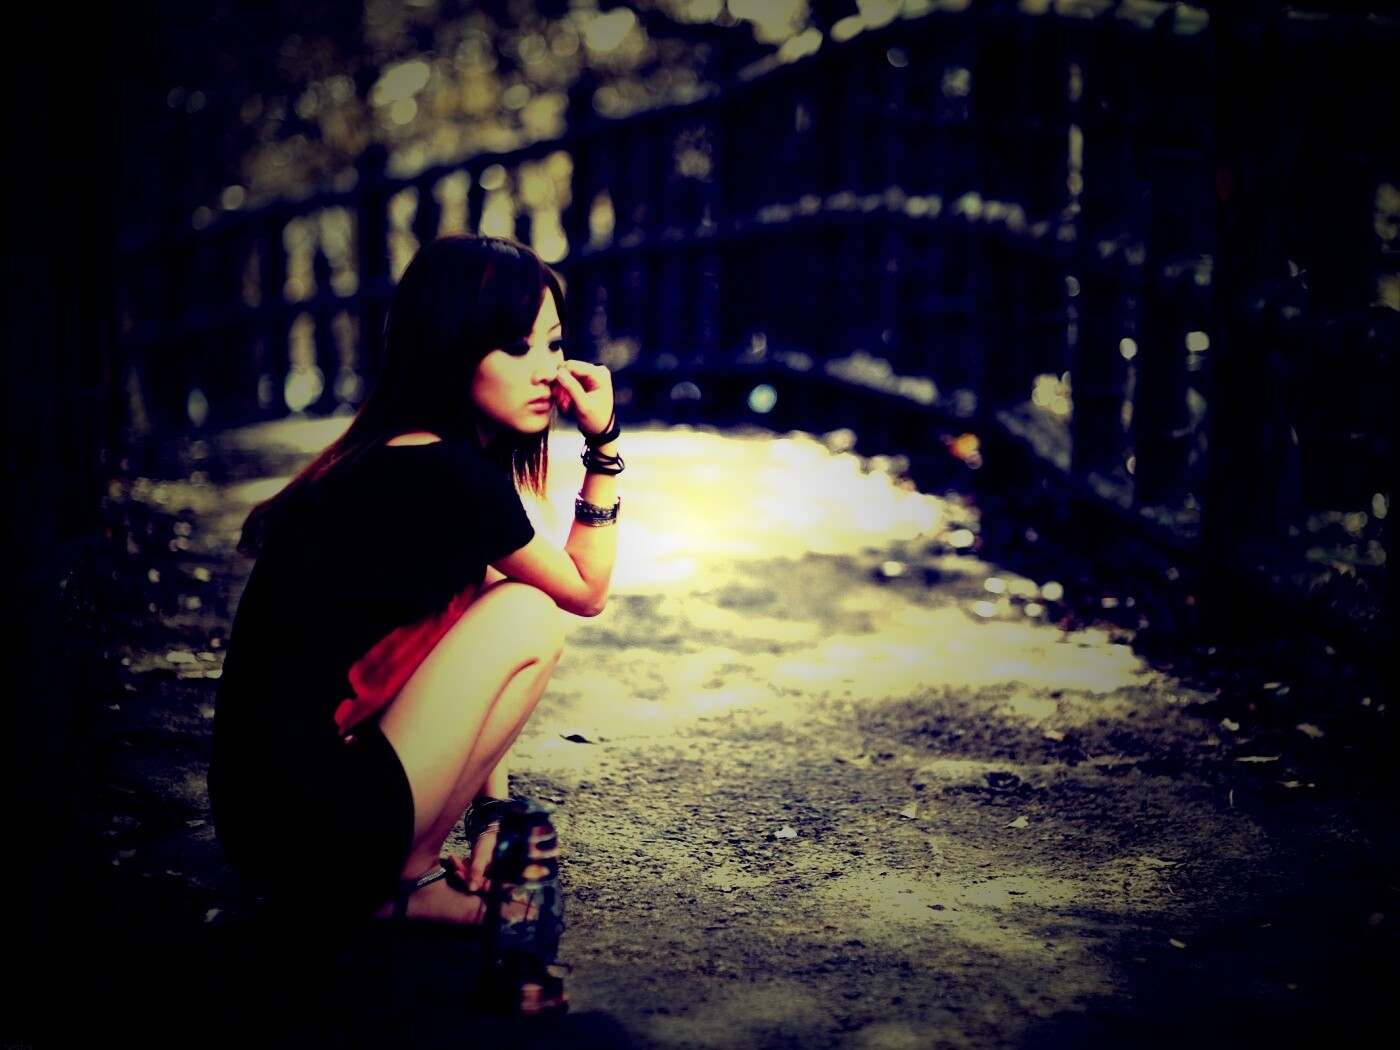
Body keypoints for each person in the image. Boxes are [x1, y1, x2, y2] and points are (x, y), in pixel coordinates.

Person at [208, 232, 623, 1017]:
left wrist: (493, 811)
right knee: (533, 609)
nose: (548, 370)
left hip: (272, 832)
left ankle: (404, 881)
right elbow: (584, 589)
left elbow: (463, 650)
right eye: (515, 346)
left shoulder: (405, 456)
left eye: (554, 344)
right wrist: (603, 448)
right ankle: (398, 880)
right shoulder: (442, 473)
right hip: (315, 826)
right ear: (452, 346)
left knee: (512, 601)